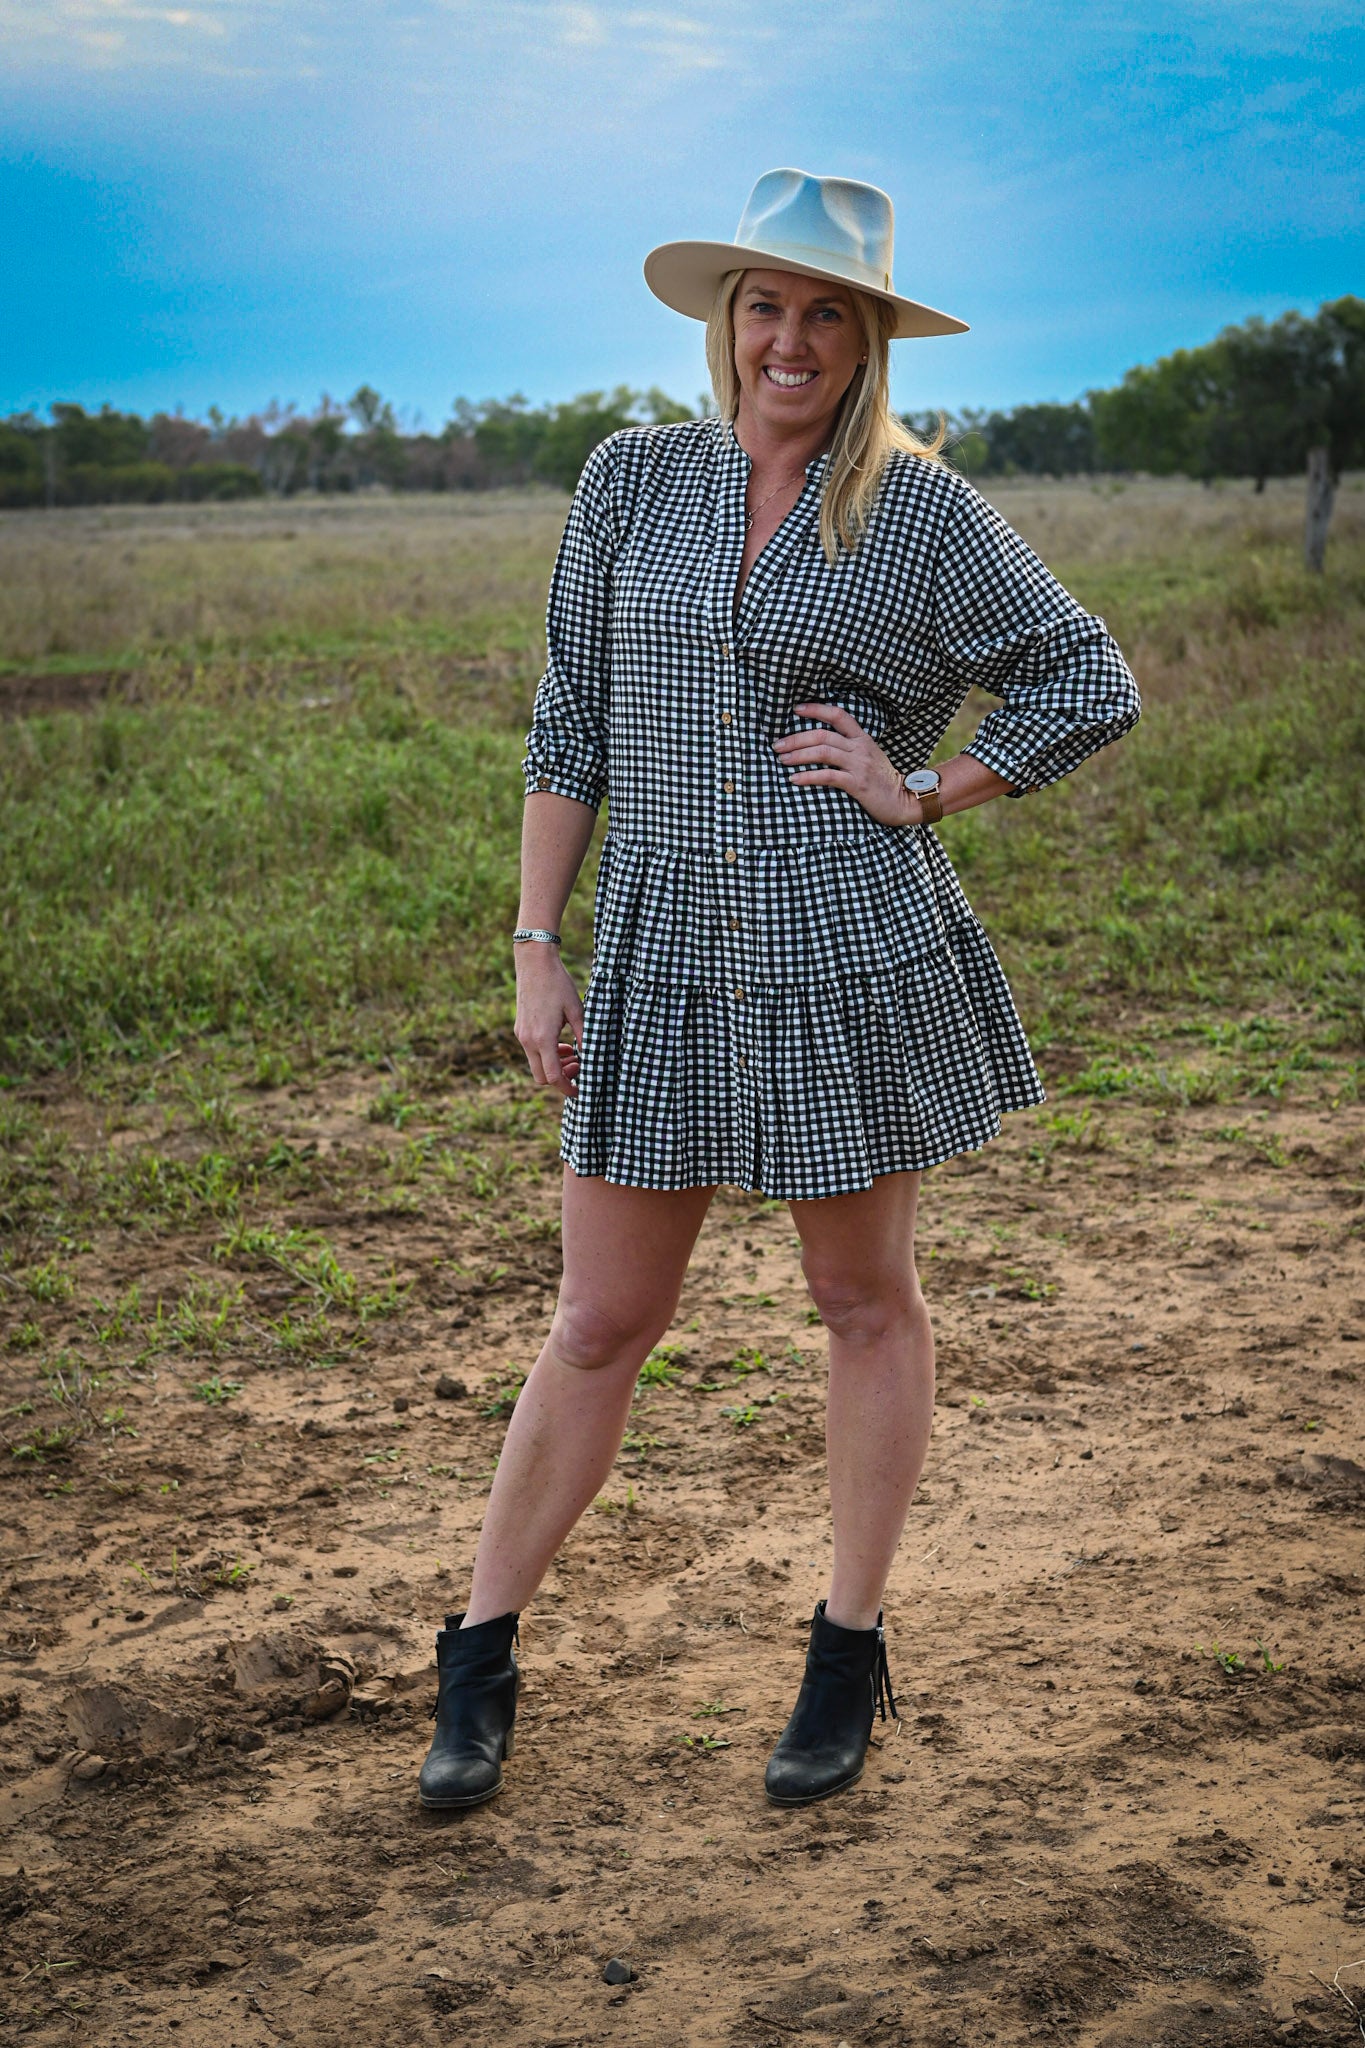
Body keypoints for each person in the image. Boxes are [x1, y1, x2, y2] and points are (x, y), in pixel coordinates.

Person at [418, 168, 1140, 1812]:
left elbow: (1087, 677)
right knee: (598, 1319)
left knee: (859, 1301)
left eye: (826, 312)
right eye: (765, 307)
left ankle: (845, 1647)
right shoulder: (632, 480)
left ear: (869, 337)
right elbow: (571, 722)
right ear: (724, 322)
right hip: (660, 942)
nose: (790, 341)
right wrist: (536, 941)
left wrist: (927, 787)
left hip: (839, 940)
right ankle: (479, 1651)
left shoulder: (918, 513)